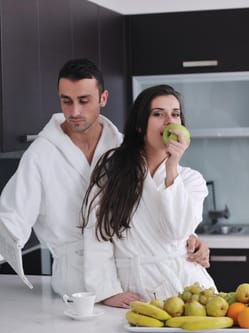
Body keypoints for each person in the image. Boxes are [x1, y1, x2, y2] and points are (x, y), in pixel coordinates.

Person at [0, 59, 208, 297]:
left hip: (125, 277)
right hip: (76, 277)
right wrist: (106, 291)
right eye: (66, 101)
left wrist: (189, 239)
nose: (74, 111)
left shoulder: (122, 147)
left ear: (103, 99)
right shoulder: (41, 155)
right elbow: (10, 221)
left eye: (84, 100)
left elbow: (152, 215)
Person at [81, 84, 216, 308]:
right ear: (140, 125)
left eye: (175, 114)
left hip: (189, 288)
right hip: (135, 291)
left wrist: (172, 167)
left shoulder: (192, 181)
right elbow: (97, 235)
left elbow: (177, 231)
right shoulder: (113, 174)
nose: (169, 121)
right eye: (158, 114)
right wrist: (107, 291)